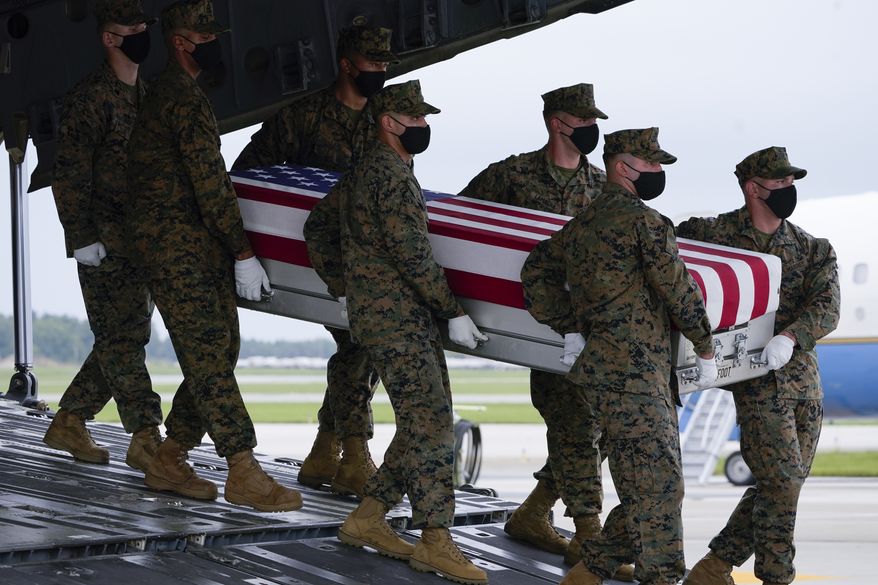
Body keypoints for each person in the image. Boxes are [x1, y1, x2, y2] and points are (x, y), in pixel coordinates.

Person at [126, 0, 301, 512]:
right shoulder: (181, 99)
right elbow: (210, 185)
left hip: (191, 246)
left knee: (219, 353)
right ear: (181, 44)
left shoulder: (180, 95)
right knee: (209, 359)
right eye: (207, 38)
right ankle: (243, 470)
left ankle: (169, 457)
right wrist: (244, 252)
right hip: (176, 248)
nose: (216, 45)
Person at [525, 128, 718, 585]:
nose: (659, 173)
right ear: (623, 167)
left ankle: (590, 570)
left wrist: (568, 325)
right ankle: (661, 577)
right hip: (635, 374)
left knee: (645, 485)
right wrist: (706, 344)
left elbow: (536, 269)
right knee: (660, 487)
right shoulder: (644, 223)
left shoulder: (581, 226)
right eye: (652, 165)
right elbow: (679, 291)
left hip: (606, 372)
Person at [233, 24, 399, 497]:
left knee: (360, 346)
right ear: (347, 64)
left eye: (387, 65)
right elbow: (249, 173)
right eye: (374, 64)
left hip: (369, 259)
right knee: (358, 346)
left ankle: (328, 450)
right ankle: (353, 450)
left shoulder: (384, 122)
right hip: (318, 258)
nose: (381, 73)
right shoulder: (306, 117)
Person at [335, 80, 489, 585]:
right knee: (431, 426)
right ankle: (435, 541)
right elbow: (414, 257)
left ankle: (369, 516)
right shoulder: (390, 177)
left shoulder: (375, 171)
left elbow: (320, 226)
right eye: (416, 119)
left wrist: (348, 285)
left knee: (429, 418)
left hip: (392, 317)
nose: (424, 127)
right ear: (389, 122)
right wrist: (453, 310)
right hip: (398, 320)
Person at [459, 83, 613, 567]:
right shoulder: (512, 176)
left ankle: (534, 511)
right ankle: (590, 537)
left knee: (598, 428)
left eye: (594, 122)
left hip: (589, 333)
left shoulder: (605, 187)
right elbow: (458, 224)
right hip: (537, 327)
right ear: (556, 122)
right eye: (582, 122)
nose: (590, 131)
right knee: (575, 424)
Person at [678, 147, 840, 585]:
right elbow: (667, 262)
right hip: (756, 384)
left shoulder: (812, 249)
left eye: (792, 183)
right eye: (780, 183)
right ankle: (775, 577)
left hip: (805, 385)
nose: (789, 190)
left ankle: (713, 568)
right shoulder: (714, 235)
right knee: (783, 483)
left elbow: (827, 306)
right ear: (753, 187)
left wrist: (791, 336)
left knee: (780, 487)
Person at [44, 0, 163, 473]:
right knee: (121, 339)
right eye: (129, 28)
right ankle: (146, 435)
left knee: (126, 334)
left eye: (143, 26)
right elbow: (68, 173)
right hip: (104, 242)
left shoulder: (142, 94)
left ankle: (71, 419)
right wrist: (81, 236)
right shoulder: (91, 97)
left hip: (137, 240)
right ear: (108, 38)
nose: (140, 33)